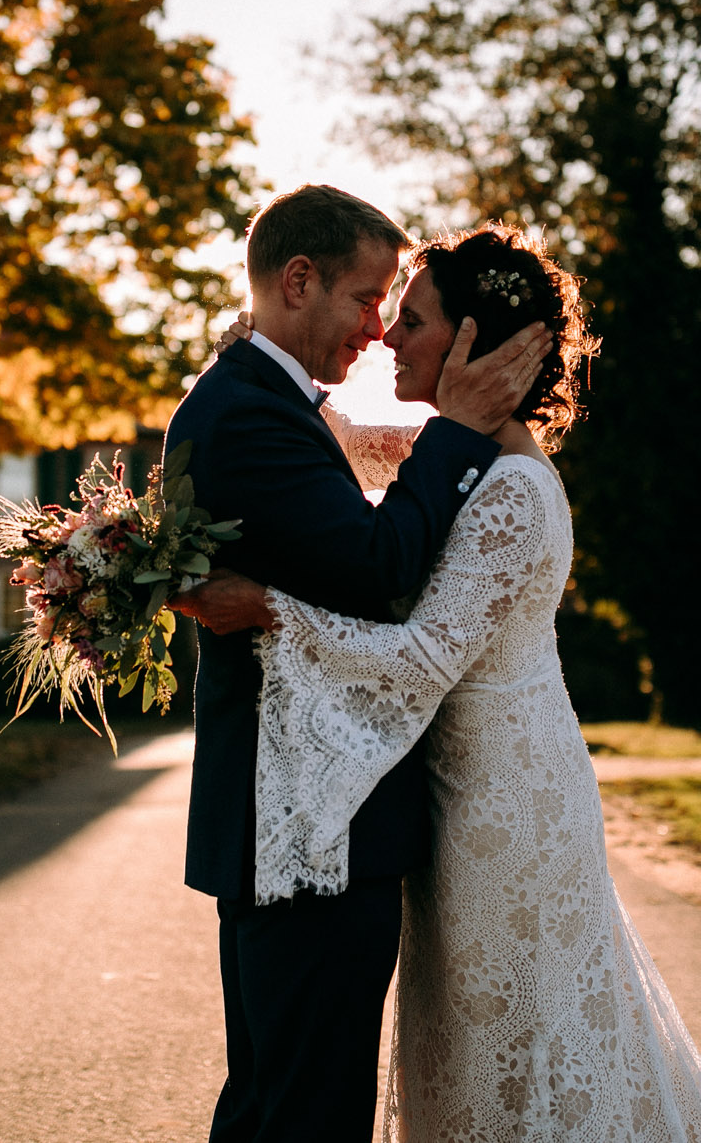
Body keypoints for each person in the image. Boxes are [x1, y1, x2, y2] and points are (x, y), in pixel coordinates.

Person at [175, 225, 701, 1143]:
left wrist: (270, 609)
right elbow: (345, 449)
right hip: (453, 798)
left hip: (504, 805)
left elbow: (425, 656)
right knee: (465, 1050)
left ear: (471, 342)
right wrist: (250, 354)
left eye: (411, 319)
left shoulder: (513, 489)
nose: (388, 338)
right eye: (383, 312)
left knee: (521, 1046)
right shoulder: (467, 457)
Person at [164, 185, 553, 1143]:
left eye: (396, 308)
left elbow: (364, 536)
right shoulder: (249, 415)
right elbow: (381, 573)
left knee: (276, 1104)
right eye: (367, 298)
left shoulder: (266, 406)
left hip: (303, 819)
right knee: (304, 1111)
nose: (376, 330)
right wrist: (460, 428)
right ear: (299, 280)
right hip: (307, 823)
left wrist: (466, 431)